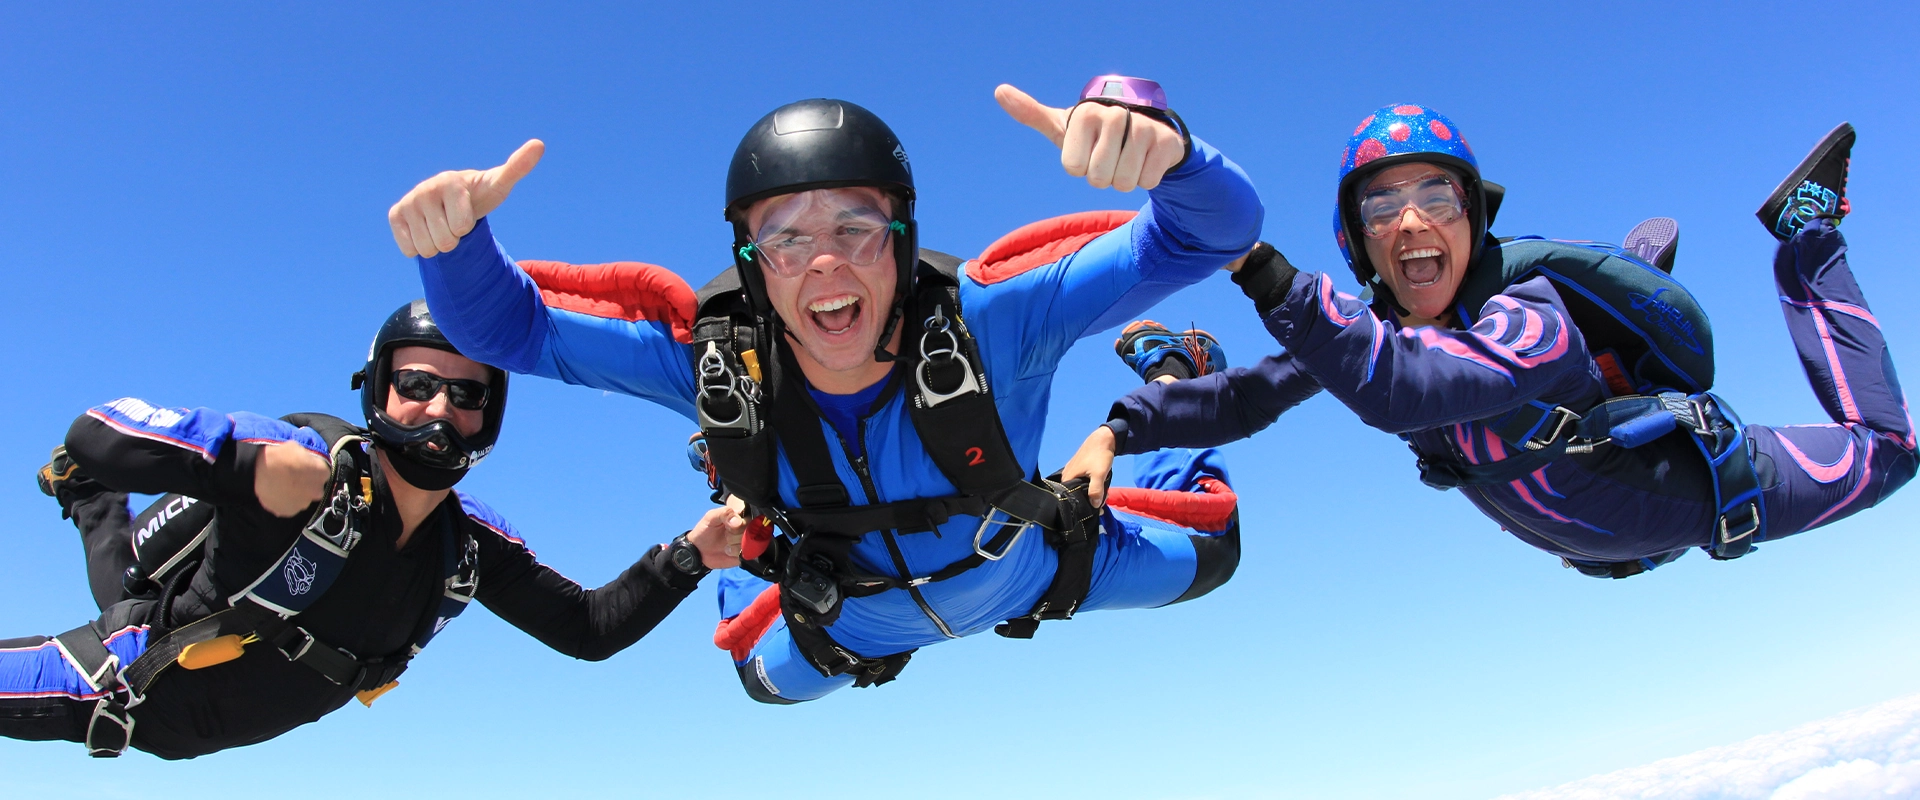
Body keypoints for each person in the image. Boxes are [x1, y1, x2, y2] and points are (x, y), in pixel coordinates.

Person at [386, 77, 1261, 701]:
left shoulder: (997, 320)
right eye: (786, 239)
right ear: (750, 265)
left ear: (905, 238)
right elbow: (508, 332)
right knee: (761, 684)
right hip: (848, 619)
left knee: (1214, 549)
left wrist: (1171, 157)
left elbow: (1207, 235)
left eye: (858, 226)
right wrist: (455, 245)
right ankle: (730, 476)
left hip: (1031, 568)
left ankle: (1177, 374)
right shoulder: (716, 364)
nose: (828, 262)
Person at [1066, 108, 1913, 578]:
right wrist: (1117, 431)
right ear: (1360, 249)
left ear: (1473, 220)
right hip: (1604, 537)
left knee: (1890, 451)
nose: (1411, 221)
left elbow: (1410, 387)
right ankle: (1630, 299)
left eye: (1437, 196)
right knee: (1617, 548)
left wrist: (1251, 260)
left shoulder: (1530, 317)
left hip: (1691, 494)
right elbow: (1246, 398)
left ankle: (1808, 239)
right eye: (1380, 208)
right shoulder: (1379, 332)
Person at [5, 301, 737, 758]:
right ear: (378, 390)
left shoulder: (470, 547)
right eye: (416, 384)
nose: (441, 407)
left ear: (493, 413)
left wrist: (689, 557)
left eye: (468, 391)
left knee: (124, 575)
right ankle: (92, 496)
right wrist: (242, 464)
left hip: (199, 709)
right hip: (120, 688)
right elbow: (98, 427)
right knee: (128, 577)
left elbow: (587, 629)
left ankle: (89, 502)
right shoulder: (307, 459)